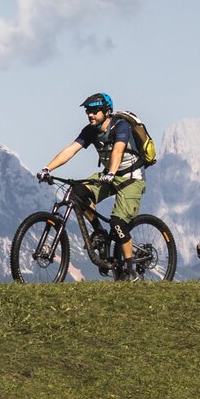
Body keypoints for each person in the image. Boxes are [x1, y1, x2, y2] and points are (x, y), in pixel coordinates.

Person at [36, 92, 147, 281]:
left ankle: (130, 270)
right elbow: (71, 149)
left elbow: (118, 150)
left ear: (106, 111)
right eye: (88, 111)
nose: (90, 115)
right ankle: (99, 232)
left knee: (118, 223)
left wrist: (111, 172)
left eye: (95, 111)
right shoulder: (91, 130)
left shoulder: (120, 126)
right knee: (76, 193)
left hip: (131, 178)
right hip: (108, 175)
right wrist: (47, 168)